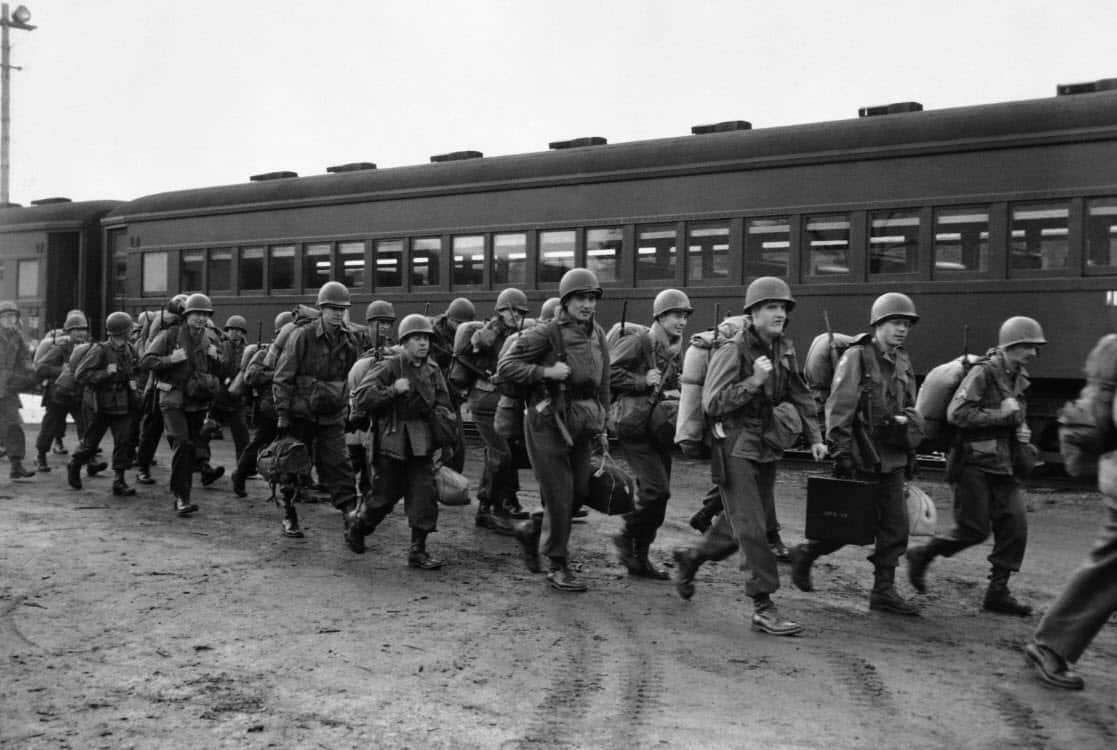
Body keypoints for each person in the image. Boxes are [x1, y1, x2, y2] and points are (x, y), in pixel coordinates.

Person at [672, 277, 826, 635]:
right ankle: (763, 604)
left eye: (783, 308)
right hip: (736, 445)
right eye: (771, 307)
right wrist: (753, 382)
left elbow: (800, 393)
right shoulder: (734, 349)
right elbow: (713, 403)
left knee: (736, 525)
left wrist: (816, 436)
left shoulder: (782, 348)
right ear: (753, 313)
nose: (779, 314)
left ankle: (691, 558)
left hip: (766, 444)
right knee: (756, 528)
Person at [790, 292, 925, 616]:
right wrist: (840, 450)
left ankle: (883, 591)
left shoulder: (903, 360)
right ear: (878, 324)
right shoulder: (858, 357)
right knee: (850, 526)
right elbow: (840, 405)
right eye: (895, 323)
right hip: (862, 454)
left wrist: (911, 446)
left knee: (896, 527)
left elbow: (907, 405)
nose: (901, 329)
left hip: (892, 456)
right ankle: (806, 553)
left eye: (906, 324)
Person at [907, 317, 1045, 616]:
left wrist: (1021, 430)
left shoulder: (1018, 376)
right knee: (974, 530)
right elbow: (957, 414)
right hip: (972, 463)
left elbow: (1015, 416)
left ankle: (997, 593)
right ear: (1012, 346)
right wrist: (1002, 416)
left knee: (1016, 527)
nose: (1034, 353)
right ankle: (922, 554)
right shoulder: (983, 373)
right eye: (1029, 346)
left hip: (1003, 464)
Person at [497, 268, 611, 592]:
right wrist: (545, 371)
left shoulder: (598, 333)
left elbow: (603, 382)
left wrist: (603, 423)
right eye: (580, 298)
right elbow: (507, 366)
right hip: (548, 422)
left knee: (579, 491)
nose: (587, 304)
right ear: (566, 301)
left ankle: (532, 530)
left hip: (583, 422)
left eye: (592, 298)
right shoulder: (548, 333)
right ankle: (557, 564)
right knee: (560, 495)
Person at [349, 314, 455, 569]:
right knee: (383, 498)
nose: (423, 344)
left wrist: (440, 425)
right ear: (405, 342)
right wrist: (392, 390)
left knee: (424, 495)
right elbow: (361, 398)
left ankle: (418, 550)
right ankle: (359, 527)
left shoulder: (432, 370)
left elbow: (444, 403)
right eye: (417, 339)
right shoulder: (390, 366)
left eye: (426, 339)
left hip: (421, 441)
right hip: (392, 442)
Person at [609, 288, 691, 579]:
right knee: (656, 490)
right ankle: (626, 535)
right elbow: (608, 374)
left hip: (656, 427)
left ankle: (639, 557)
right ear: (660, 315)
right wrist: (641, 380)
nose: (681, 321)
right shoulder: (639, 341)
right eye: (675, 315)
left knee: (660, 497)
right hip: (633, 426)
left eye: (684, 316)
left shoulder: (673, 348)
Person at [273, 281, 362, 540]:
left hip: (332, 415)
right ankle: (289, 512)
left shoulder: (349, 340)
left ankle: (349, 515)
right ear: (321, 309)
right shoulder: (303, 336)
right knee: (293, 464)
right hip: (301, 414)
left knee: (340, 465)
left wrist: (350, 410)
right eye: (332, 308)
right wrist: (282, 414)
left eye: (341, 309)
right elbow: (283, 376)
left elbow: (351, 377)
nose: (337, 313)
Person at [141, 293, 228, 515]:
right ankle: (182, 497)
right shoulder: (170, 335)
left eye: (205, 315)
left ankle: (181, 494)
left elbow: (224, 371)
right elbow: (147, 360)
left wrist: (216, 358)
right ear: (187, 315)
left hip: (197, 402)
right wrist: (171, 359)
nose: (200, 318)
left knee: (191, 449)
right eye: (196, 314)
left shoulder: (211, 339)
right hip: (172, 399)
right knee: (183, 444)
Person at [452, 288, 530, 532]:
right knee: (501, 454)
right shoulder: (491, 331)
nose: (515, 314)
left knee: (501, 454)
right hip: (485, 400)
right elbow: (478, 344)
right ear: (500, 311)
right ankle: (486, 509)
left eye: (519, 311)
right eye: (510, 310)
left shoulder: (516, 333)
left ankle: (501, 504)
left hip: (503, 401)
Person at [66, 312, 141, 496]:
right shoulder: (100, 350)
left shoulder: (130, 349)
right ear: (122, 331)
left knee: (123, 442)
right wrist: (105, 373)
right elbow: (81, 375)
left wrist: (134, 382)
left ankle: (119, 480)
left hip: (123, 403)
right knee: (90, 443)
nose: (132, 332)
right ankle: (75, 465)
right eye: (130, 329)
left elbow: (137, 369)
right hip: (100, 404)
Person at [230, 310, 293, 498]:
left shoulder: (298, 351)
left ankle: (298, 484)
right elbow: (251, 376)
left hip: (291, 407)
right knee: (260, 444)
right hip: (270, 407)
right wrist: (277, 376)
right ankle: (240, 474)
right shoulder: (267, 353)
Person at [134, 295, 189, 485]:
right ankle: (142, 466)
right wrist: (170, 360)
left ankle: (196, 466)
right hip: (160, 384)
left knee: (184, 432)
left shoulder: (195, 330)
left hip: (183, 385)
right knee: (153, 428)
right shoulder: (164, 328)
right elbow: (147, 358)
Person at [346, 300, 397, 497]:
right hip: (353, 404)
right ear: (370, 323)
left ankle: (368, 492)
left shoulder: (391, 349)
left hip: (376, 404)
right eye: (380, 323)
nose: (384, 327)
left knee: (373, 455)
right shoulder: (355, 343)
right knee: (354, 457)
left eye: (388, 323)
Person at [32, 311, 90, 472]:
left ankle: (89, 460)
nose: (80, 333)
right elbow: (40, 368)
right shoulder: (60, 349)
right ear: (68, 332)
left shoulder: (89, 348)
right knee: (50, 428)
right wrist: (61, 370)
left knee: (86, 428)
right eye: (76, 329)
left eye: (83, 329)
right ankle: (40, 456)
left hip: (78, 395)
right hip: (57, 396)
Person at [428, 297, 475, 473]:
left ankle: (451, 480)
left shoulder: (467, 333)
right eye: (458, 323)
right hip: (436, 395)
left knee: (457, 445)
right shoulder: (434, 336)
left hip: (452, 395)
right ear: (450, 319)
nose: (460, 327)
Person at [204, 314, 252, 461]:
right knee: (205, 430)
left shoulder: (247, 350)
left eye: (238, 330)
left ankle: (244, 466)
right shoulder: (220, 345)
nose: (234, 333)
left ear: (243, 332)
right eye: (231, 329)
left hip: (237, 399)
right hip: (219, 397)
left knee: (242, 434)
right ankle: (201, 462)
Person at [0, 300, 36, 480]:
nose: (8, 319)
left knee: (13, 425)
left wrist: (30, 372)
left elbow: (25, 357)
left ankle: (16, 465)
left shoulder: (17, 336)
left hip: (8, 389)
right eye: (4, 316)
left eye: (12, 316)